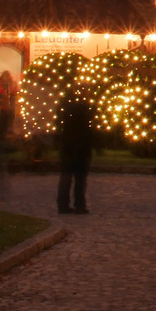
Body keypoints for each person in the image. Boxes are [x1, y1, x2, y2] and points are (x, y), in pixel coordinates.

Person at [56, 85, 96, 215]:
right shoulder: (86, 110)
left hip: (68, 146)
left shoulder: (66, 109)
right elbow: (90, 129)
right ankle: (79, 205)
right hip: (80, 147)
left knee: (66, 177)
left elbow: (60, 124)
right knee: (79, 178)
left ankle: (63, 205)